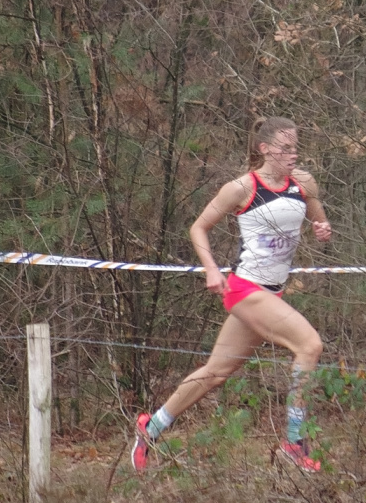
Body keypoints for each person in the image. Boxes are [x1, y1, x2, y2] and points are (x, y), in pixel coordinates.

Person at [132, 116, 332, 474]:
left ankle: (152, 427)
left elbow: (319, 220)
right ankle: (295, 442)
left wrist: (322, 228)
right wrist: (211, 269)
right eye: (285, 148)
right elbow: (198, 227)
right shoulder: (241, 187)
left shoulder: (304, 183)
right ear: (265, 149)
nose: (292, 155)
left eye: (296, 148)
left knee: (216, 372)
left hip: (272, 293)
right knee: (309, 346)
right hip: (245, 289)